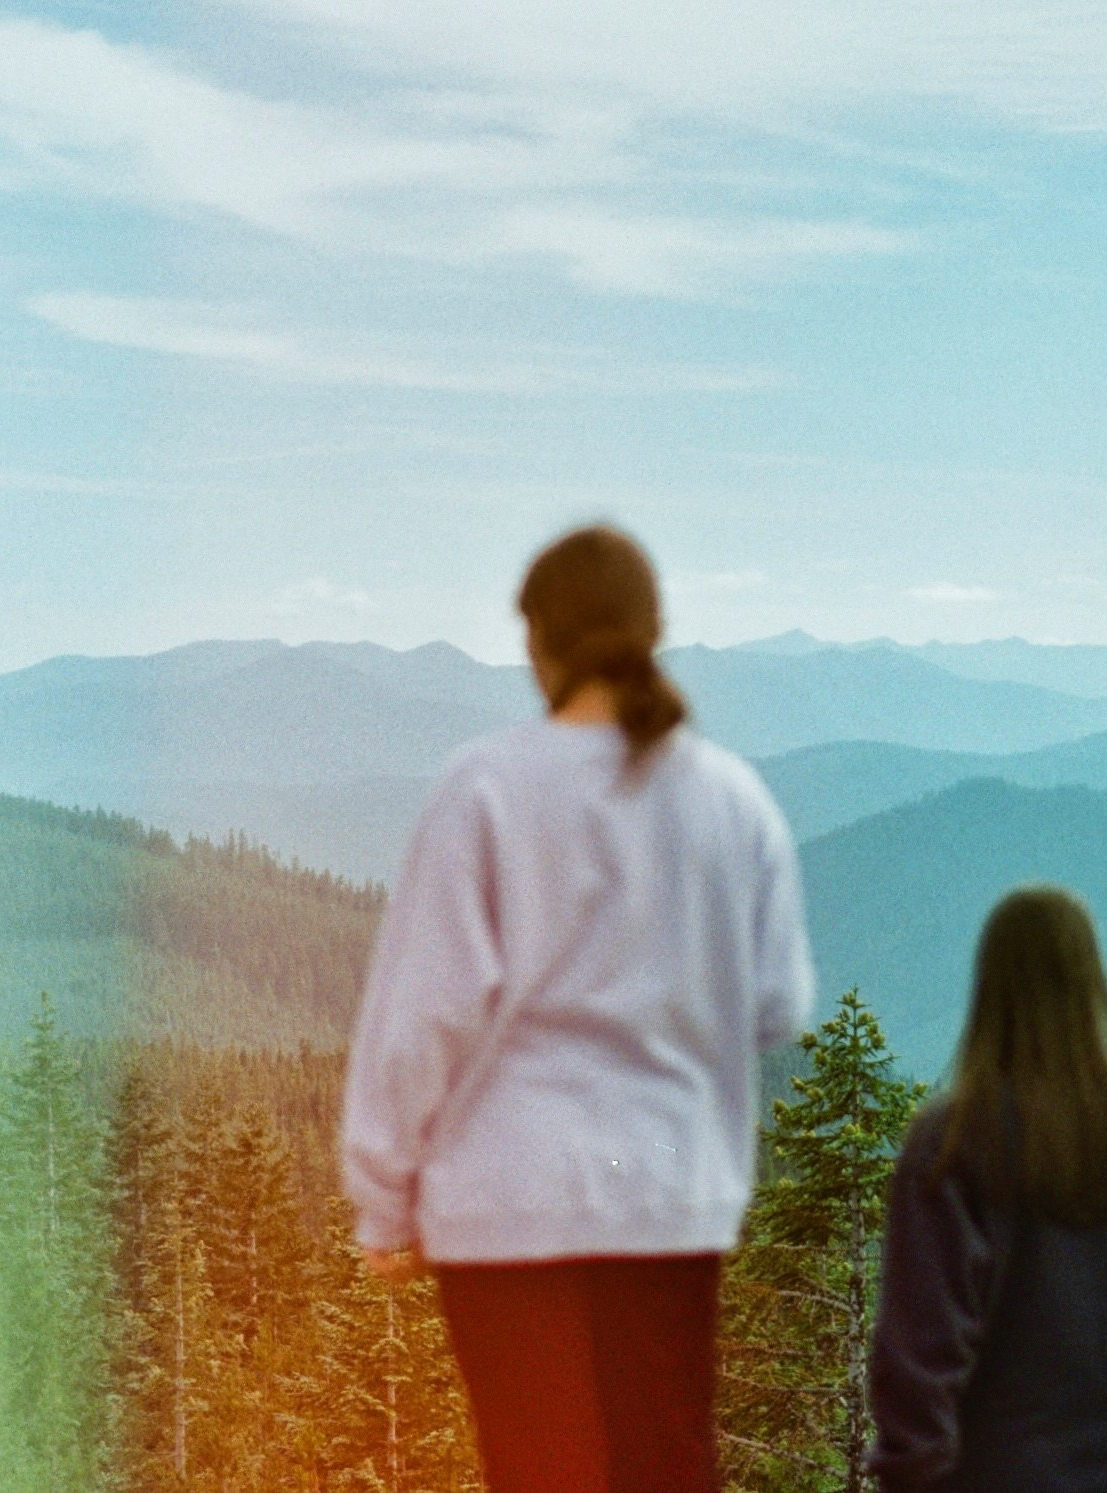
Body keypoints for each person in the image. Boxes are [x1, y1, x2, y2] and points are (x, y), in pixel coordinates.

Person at [340, 523, 814, 1493]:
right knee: (668, 1465)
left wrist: (386, 1200)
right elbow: (776, 1004)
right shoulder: (731, 798)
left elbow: (424, 1016)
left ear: (537, 644)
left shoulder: (483, 790)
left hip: (506, 1204)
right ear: (652, 632)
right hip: (670, 1195)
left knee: (539, 1471)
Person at [869, 885, 1107, 1491]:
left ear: (990, 990)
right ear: (1094, 985)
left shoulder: (953, 1139)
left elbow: (919, 1354)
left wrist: (914, 1475)